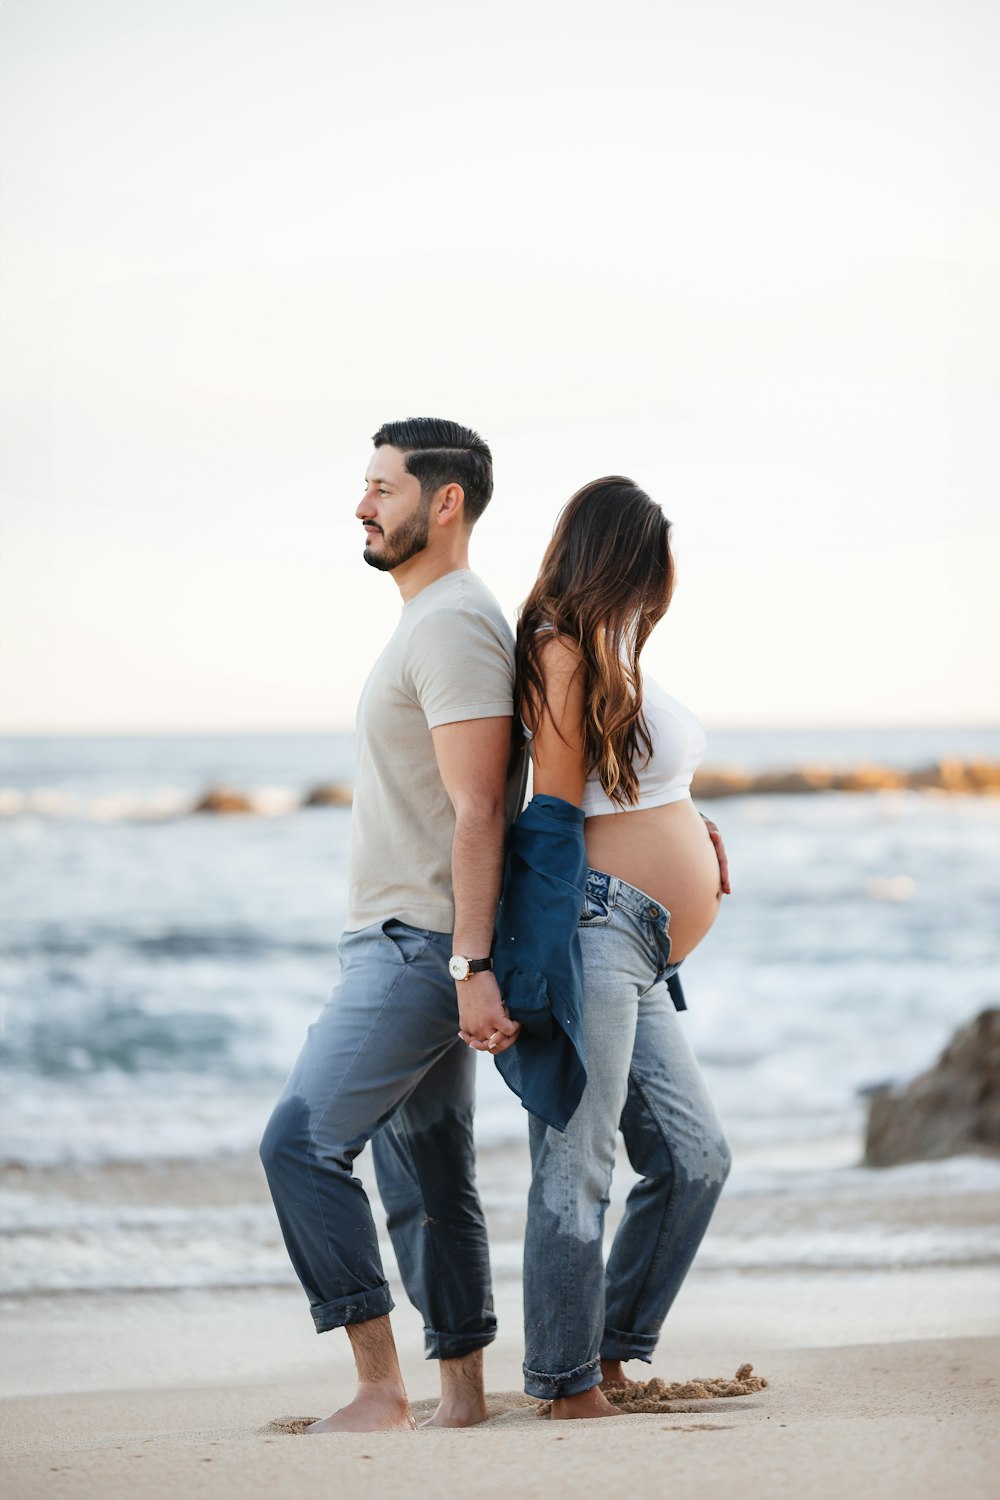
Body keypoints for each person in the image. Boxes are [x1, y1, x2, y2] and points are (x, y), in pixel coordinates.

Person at [260, 417, 524, 1432]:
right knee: (426, 1175)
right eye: (365, 487)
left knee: (299, 1144)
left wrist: (467, 962)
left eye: (383, 487)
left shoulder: (452, 621)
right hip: (412, 937)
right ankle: (461, 1396)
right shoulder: (430, 617)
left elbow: (478, 806)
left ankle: (380, 1390)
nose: (362, 505)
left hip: (420, 942)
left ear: (443, 501)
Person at [510, 475, 732, 1419]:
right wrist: (514, 958)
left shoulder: (615, 652)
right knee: (579, 1160)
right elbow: (556, 811)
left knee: (695, 1158)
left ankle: (606, 1354)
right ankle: (565, 1384)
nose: (664, 580)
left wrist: (693, 826)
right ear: (626, 556)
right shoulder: (561, 649)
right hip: (597, 932)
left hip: (646, 945)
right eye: (653, 560)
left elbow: (632, 788)